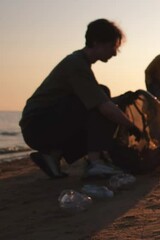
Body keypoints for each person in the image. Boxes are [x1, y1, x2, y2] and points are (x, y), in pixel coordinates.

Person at [19, 19, 142, 179]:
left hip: (42, 124)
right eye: (112, 46)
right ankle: (95, 163)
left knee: (102, 97)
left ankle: (52, 155)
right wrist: (130, 125)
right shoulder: (76, 65)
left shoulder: (80, 63)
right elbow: (103, 106)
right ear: (96, 42)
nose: (114, 53)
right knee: (102, 100)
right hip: (37, 126)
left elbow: (98, 100)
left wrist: (122, 99)